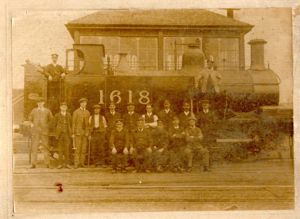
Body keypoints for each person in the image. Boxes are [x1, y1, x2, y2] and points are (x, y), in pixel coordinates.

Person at [28, 97, 53, 168]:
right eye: (38, 103)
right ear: (37, 103)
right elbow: (30, 118)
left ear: (44, 103)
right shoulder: (34, 110)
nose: (40, 104)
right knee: (34, 147)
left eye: (41, 102)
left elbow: (51, 120)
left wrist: (47, 126)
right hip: (35, 132)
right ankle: (33, 164)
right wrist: (31, 124)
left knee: (46, 147)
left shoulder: (47, 111)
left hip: (44, 131)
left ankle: (47, 163)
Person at [53, 102, 72, 169]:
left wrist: (70, 133)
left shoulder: (69, 115)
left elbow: (70, 124)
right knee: (60, 150)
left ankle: (67, 164)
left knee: (67, 149)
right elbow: (54, 125)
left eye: (65, 106)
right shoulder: (57, 115)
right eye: (62, 106)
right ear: (60, 108)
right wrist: (57, 132)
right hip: (60, 134)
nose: (64, 108)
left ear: (66, 108)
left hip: (67, 134)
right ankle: (60, 164)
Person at [72, 98, 90, 168]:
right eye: (82, 103)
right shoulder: (76, 112)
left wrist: (88, 132)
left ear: (86, 104)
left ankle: (82, 163)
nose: (83, 104)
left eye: (85, 103)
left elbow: (88, 124)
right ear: (80, 104)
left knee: (84, 149)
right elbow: (73, 123)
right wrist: (73, 133)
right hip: (78, 133)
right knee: (77, 149)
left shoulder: (87, 112)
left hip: (85, 133)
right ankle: (76, 163)